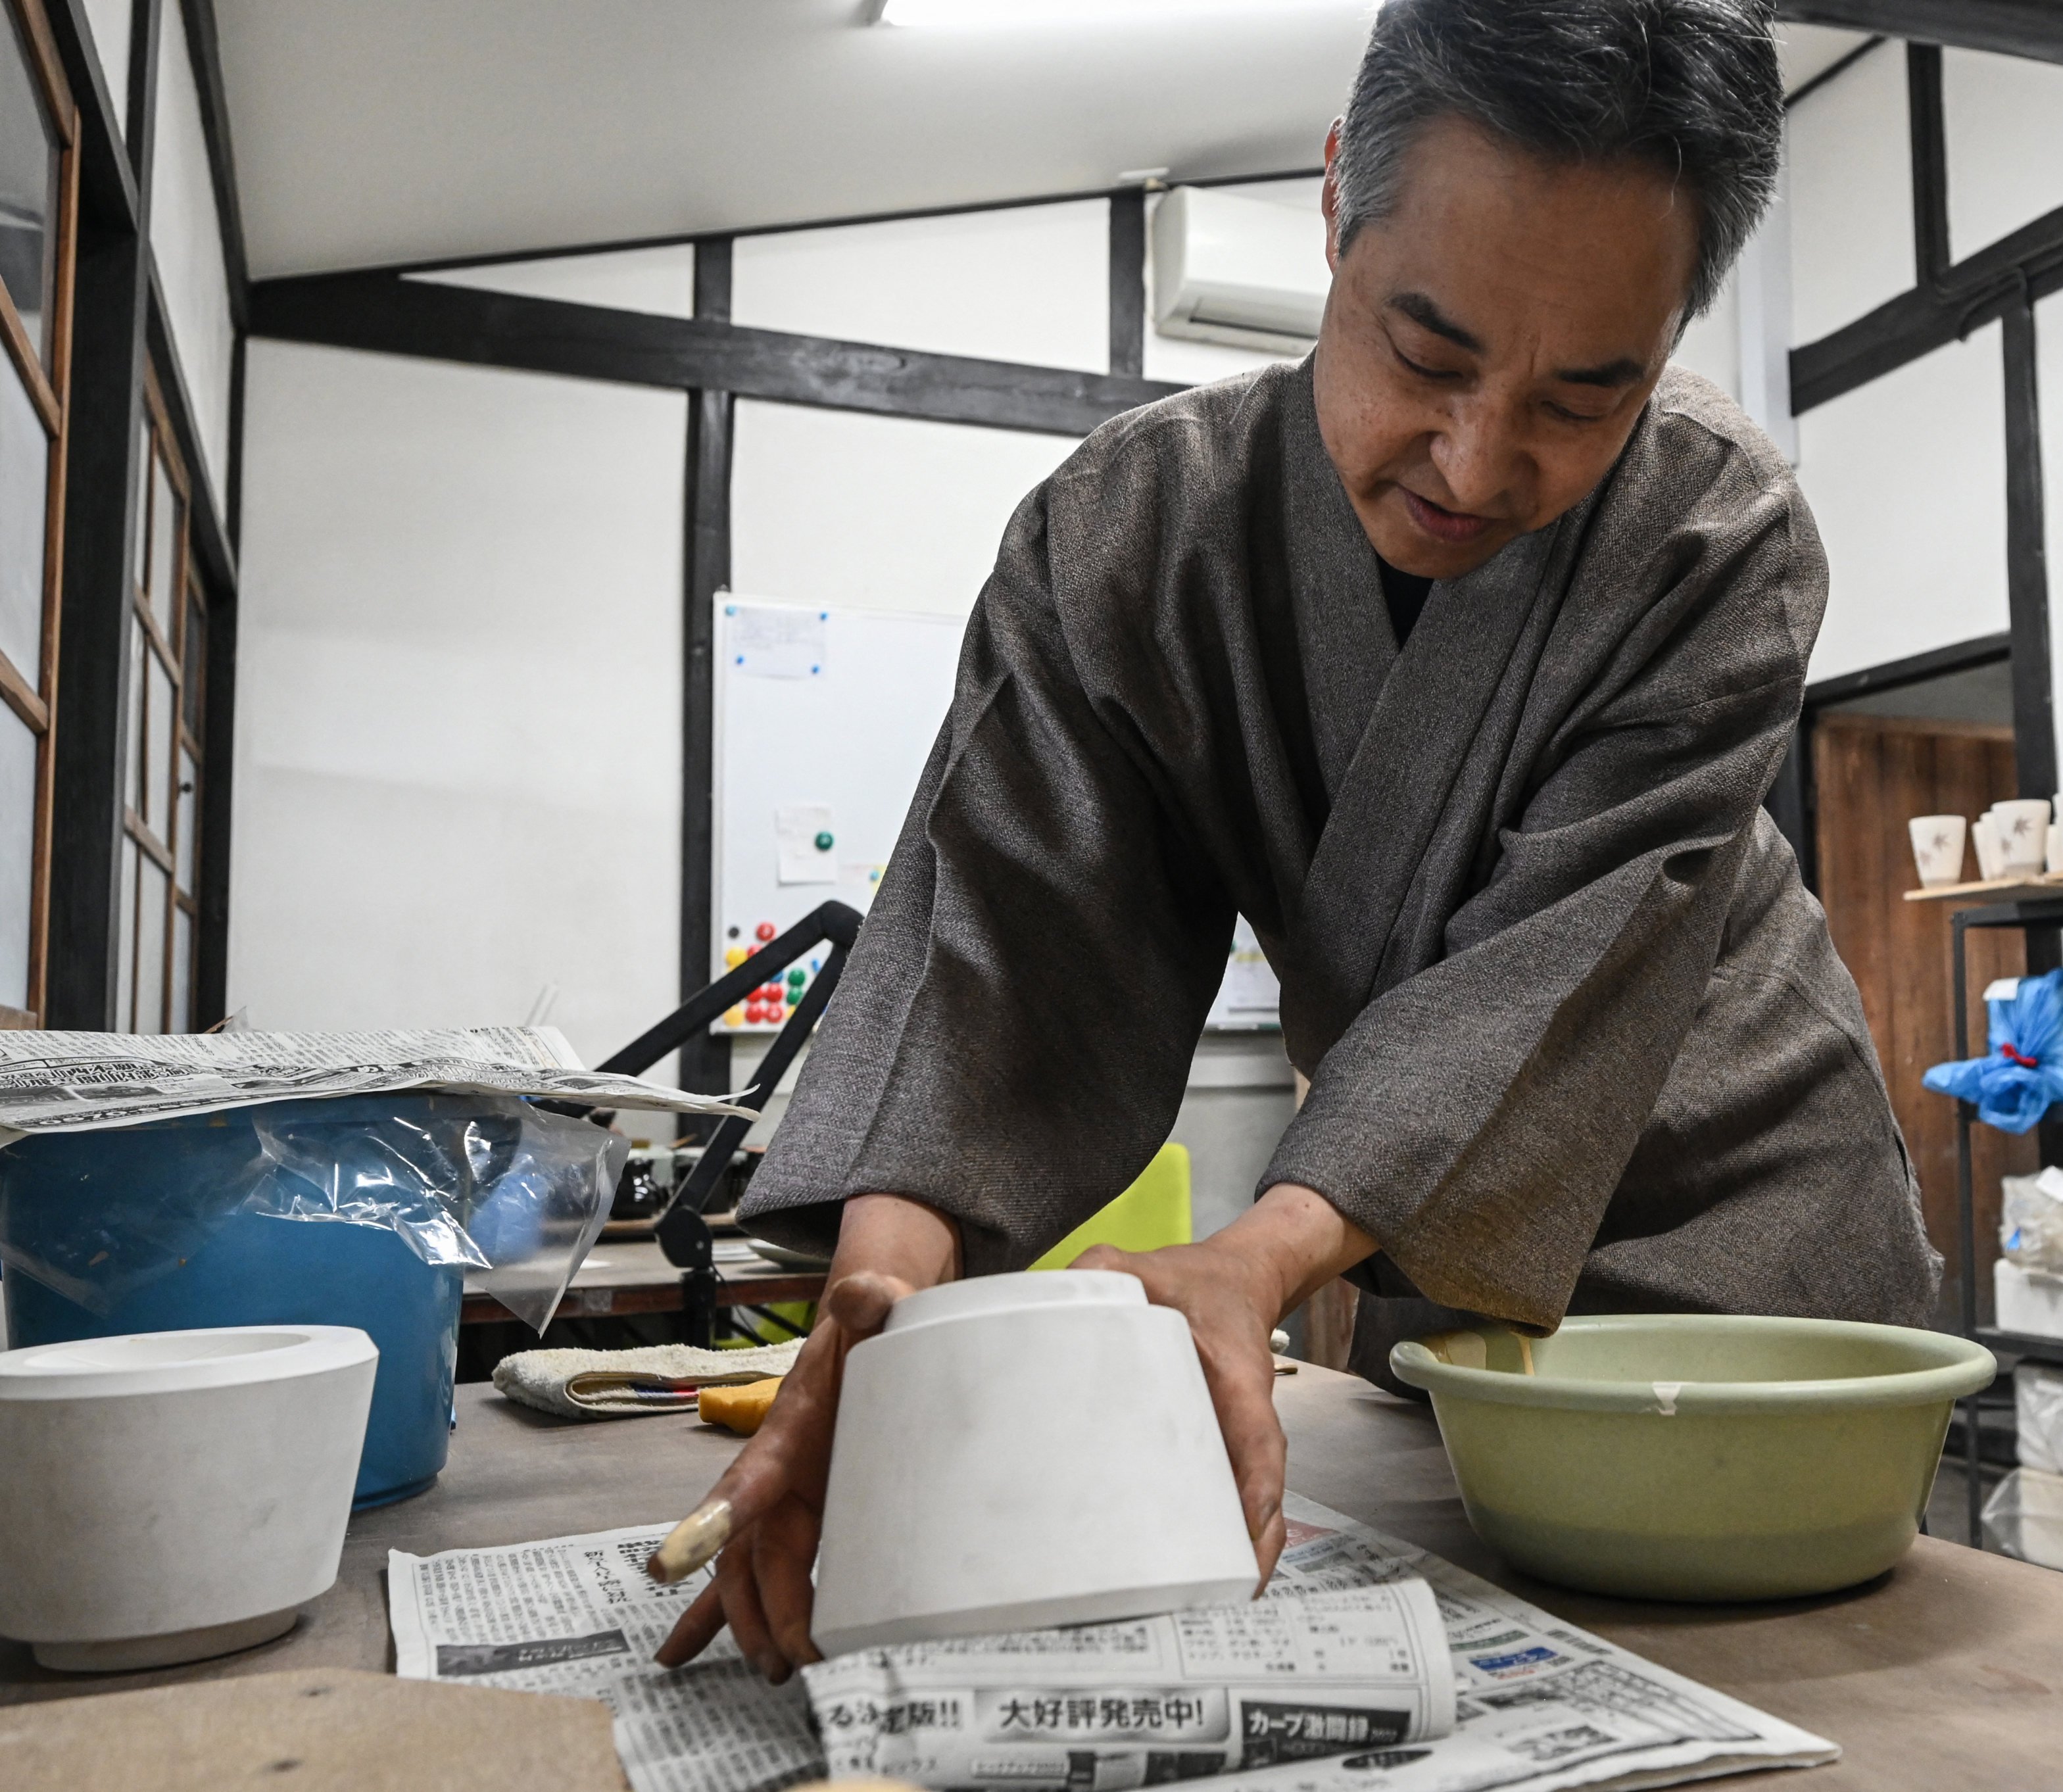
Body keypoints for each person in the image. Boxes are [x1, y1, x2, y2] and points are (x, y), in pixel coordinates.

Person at [650, 0, 1939, 1683]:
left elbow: (1554, 970)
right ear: (1335, 203)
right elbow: (1007, 944)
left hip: (1756, 1247)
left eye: (1586, 392)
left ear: (1672, 330)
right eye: (1426, 352)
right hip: (1452, 1289)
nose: (1478, 461)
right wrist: (875, 1306)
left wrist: (1255, 1257)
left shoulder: (1713, 538)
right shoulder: (1128, 536)